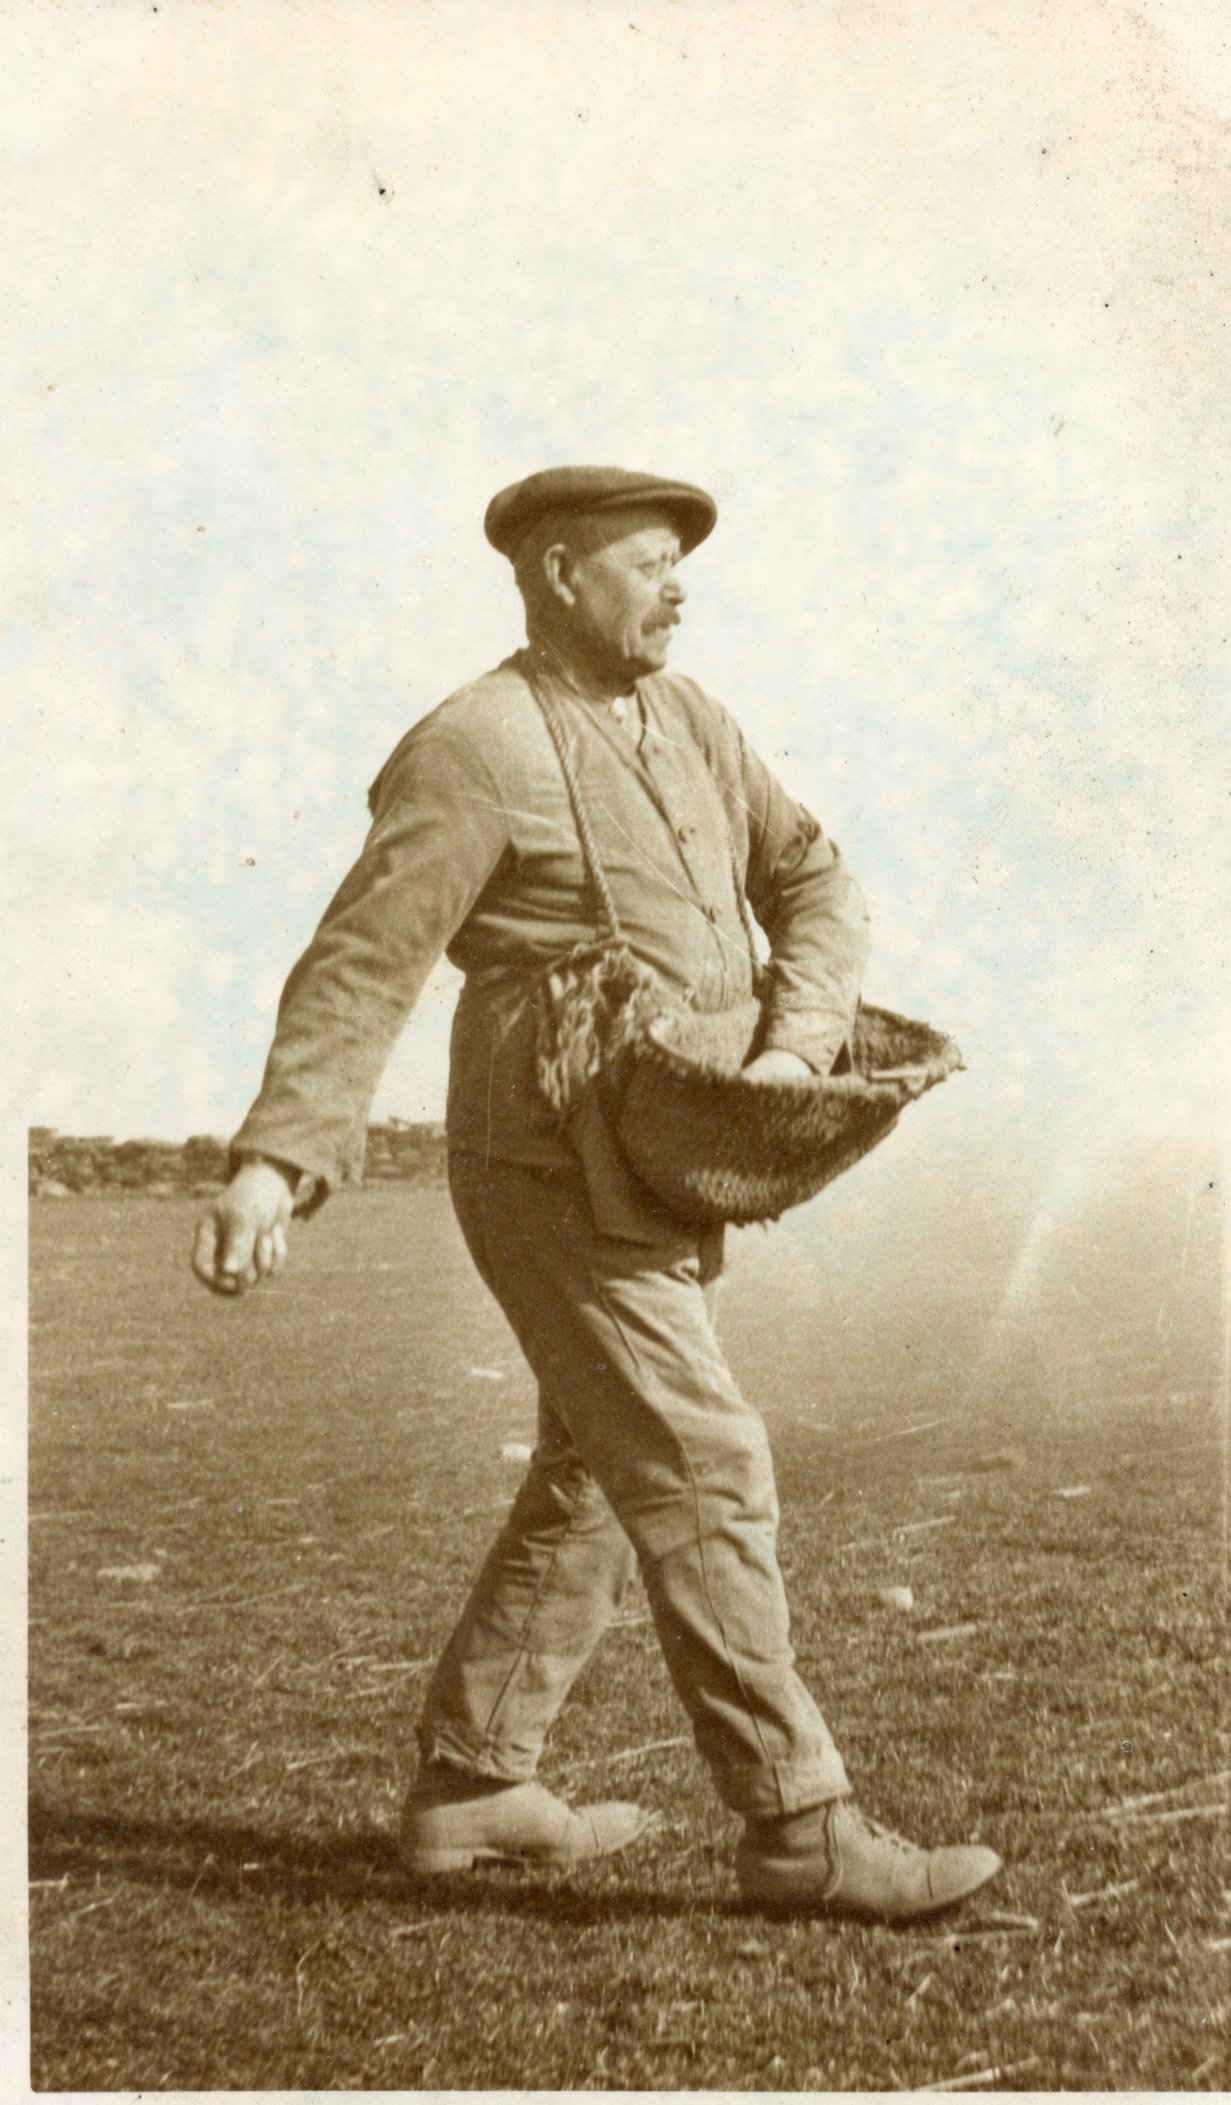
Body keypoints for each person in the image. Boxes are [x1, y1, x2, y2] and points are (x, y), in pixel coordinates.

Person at [192, 464, 1002, 1920]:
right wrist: (276, 1156)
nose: (677, 590)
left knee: (594, 1462)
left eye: (682, 565)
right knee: (699, 1457)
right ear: (560, 575)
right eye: (647, 564)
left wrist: (791, 1045)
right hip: (544, 1159)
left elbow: (815, 879)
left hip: (668, 1145)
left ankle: (472, 1782)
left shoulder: (692, 722)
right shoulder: (473, 743)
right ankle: (798, 1826)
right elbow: (365, 959)